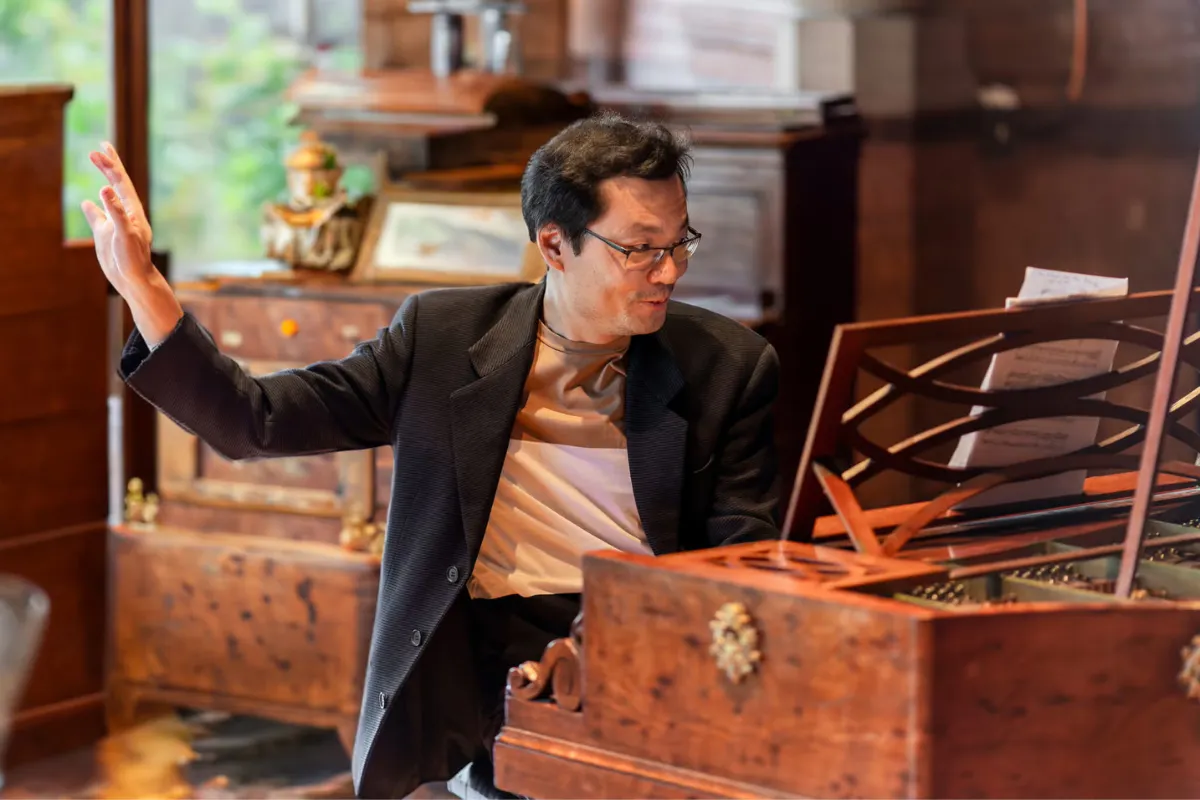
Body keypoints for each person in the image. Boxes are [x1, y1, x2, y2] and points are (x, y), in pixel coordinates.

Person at [83, 112, 781, 799]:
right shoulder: (442, 340)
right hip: (488, 660)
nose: (671, 270)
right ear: (555, 244)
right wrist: (143, 286)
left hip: (650, 650)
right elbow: (253, 421)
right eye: (640, 248)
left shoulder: (727, 365)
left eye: (680, 240)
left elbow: (743, 559)